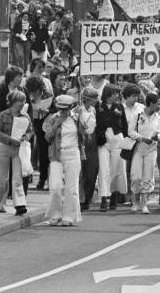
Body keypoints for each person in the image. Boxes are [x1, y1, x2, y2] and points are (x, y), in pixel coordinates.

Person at [43, 95, 94, 226]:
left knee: (72, 188)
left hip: (73, 153)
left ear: (70, 107)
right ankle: (55, 215)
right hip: (57, 154)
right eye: (60, 109)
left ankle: (69, 217)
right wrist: (57, 124)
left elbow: (86, 135)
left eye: (65, 109)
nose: (63, 111)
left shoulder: (76, 117)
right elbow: (47, 138)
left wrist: (82, 118)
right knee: (55, 186)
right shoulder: (53, 118)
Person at [0, 91, 33, 215]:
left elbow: (30, 131)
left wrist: (26, 136)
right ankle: (0, 204)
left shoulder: (25, 116)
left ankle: (20, 204)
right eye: (20, 101)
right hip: (4, 147)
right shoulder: (3, 114)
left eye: (24, 101)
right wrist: (10, 139)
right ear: (13, 102)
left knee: (17, 178)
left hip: (18, 149)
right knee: (2, 180)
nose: (22, 103)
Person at [128, 93, 160, 214]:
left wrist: (156, 137)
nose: (159, 106)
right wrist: (141, 138)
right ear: (151, 103)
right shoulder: (137, 115)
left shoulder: (158, 118)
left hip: (152, 150)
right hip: (138, 148)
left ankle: (144, 204)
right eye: (158, 103)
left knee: (148, 176)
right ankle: (135, 202)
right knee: (136, 176)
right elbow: (130, 131)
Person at [95, 84, 128, 212]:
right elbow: (97, 123)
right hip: (104, 140)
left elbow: (124, 124)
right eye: (115, 93)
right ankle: (103, 197)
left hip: (117, 140)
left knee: (116, 169)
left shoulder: (119, 106)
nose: (117, 96)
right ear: (108, 94)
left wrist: (126, 139)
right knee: (104, 170)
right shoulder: (99, 106)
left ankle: (113, 196)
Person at [78, 87, 100, 211]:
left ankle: (88, 197)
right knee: (83, 172)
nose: (96, 100)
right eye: (94, 98)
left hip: (93, 140)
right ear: (87, 99)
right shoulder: (78, 110)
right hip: (82, 140)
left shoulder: (94, 110)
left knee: (92, 170)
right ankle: (82, 199)